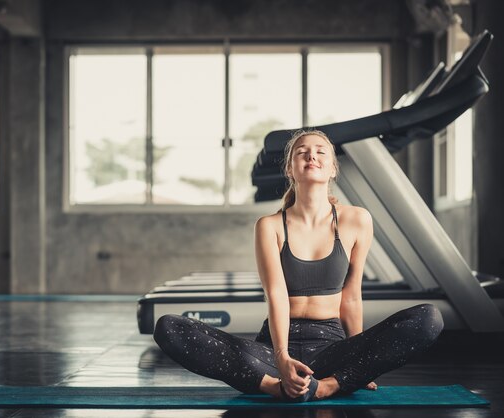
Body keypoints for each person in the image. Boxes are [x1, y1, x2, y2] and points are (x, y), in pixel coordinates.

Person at [153, 129, 444, 401]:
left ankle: (328, 386)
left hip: (332, 347)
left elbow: (352, 296)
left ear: (332, 169)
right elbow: (276, 295)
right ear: (290, 169)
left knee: (429, 318)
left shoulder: (357, 220)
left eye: (321, 152)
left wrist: (360, 362)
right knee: (168, 327)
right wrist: (281, 357)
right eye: (302, 152)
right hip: (273, 349)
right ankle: (273, 386)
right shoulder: (270, 226)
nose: (311, 156)